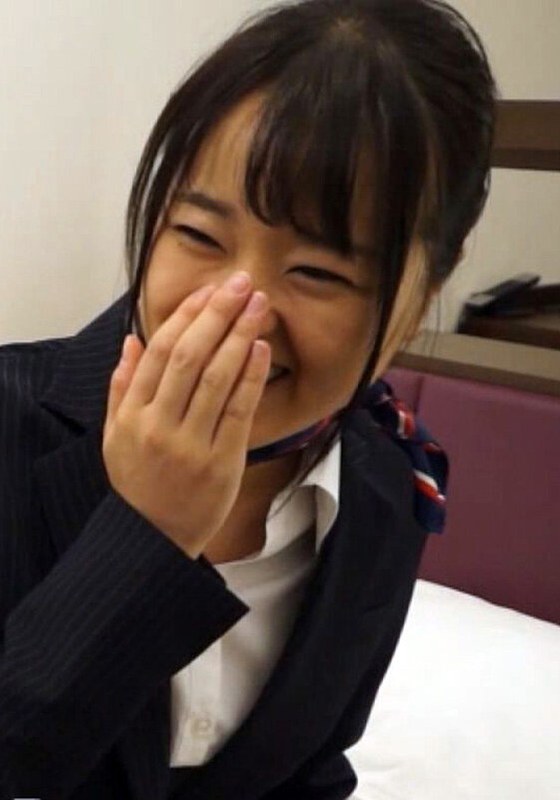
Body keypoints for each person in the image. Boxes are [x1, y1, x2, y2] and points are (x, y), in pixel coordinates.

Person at [0, 0, 497, 797]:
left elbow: (306, 765)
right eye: (199, 236)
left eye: (318, 273)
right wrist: (146, 534)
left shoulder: (390, 487)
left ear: (426, 290)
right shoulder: (14, 424)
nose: (241, 310)